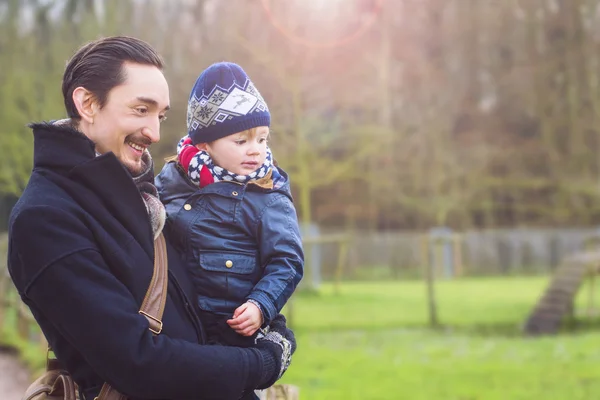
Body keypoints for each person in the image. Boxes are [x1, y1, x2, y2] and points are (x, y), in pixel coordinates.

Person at [7, 36, 295, 400]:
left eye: (160, 115)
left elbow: (205, 296)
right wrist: (260, 363)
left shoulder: (146, 197)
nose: (155, 134)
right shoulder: (45, 218)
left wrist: (268, 319)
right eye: (141, 110)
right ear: (87, 103)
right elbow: (138, 362)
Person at [155, 62, 304, 348]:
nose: (255, 149)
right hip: (175, 326)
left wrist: (260, 306)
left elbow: (287, 262)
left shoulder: (267, 196)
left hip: (233, 331)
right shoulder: (172, 180)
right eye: (241, 140)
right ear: (204, 145)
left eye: (262, 138)